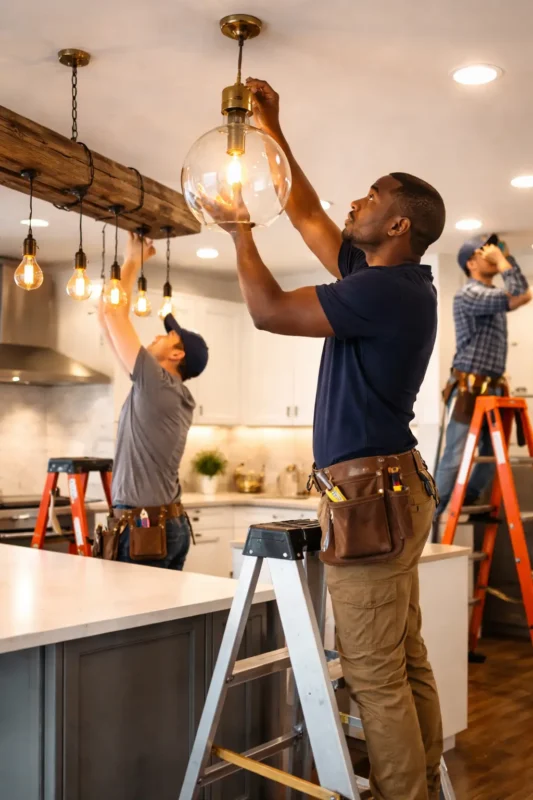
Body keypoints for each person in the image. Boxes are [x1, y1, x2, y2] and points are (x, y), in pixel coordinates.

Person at [202, 77, 446, 800]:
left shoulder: (383, 291)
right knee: (402, 658)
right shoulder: (386, 280)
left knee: (374, 672)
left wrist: (239, 228)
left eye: (370, 198)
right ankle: (423, 784)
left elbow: (269, 311)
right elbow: (307, 212)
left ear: (399, 224)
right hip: (394, 487)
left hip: (370, 496)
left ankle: (403, 794)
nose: (354, 204)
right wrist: (274, 126)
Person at [98, 232, 208, 569]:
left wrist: (134, 260)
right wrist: (129, 266)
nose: (158, 335)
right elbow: (107, 317)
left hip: (145, 530)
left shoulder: (157, 384)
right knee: (162, 621)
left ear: (176, 354)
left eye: (168, 334)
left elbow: (116, 316)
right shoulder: (163, 389)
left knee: (136, 620)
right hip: (161, 525)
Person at [434, 235, 531, 518]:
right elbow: (519, 293)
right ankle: (433, 515)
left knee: (491, 453)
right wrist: (503, 261)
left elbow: (519, 293)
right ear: (471, 262)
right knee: (454, 454)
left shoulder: (490, 296)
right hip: (469, 386)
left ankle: (471, 497)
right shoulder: (470, 294)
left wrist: (505, 256)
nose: (490, 254)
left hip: (494, 388)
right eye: (483, 251)